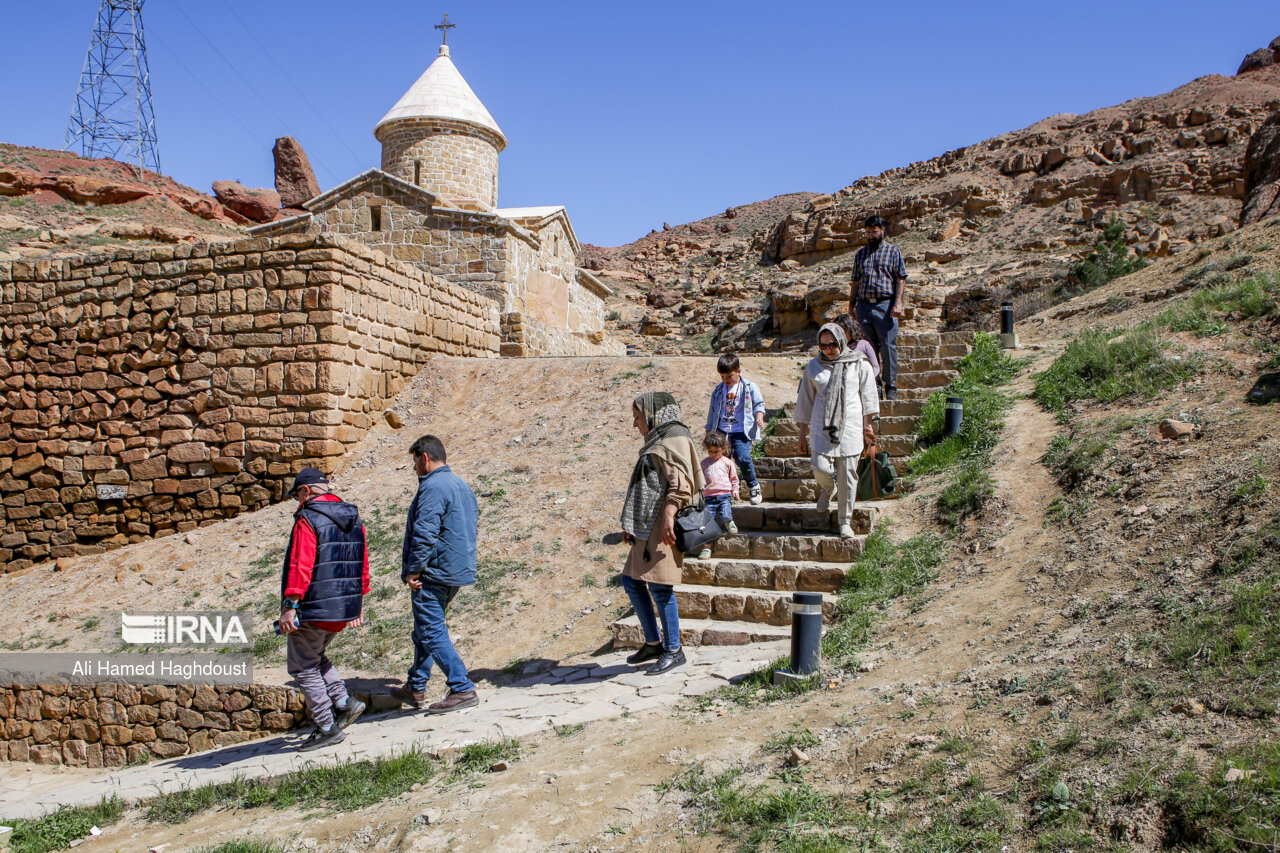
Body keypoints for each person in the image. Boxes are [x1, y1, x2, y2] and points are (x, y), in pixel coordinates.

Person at [278, 467, 369, 751]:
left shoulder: (308, 518)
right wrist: (358, 603)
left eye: (297, 496)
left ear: (306, 491)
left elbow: (300, 565)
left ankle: (326, 726)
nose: (297, 502)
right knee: (315, 656)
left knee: (303, 666)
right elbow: (361, 565)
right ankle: (343, 703)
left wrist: (290, 605)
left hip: (315, 606)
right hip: (344, 606)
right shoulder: (353, 518)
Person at [621, 392, 705, 674]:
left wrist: (669, 515)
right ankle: (654, 642)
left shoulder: (671, 440)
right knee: (631, 581)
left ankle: (673, 649)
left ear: (653, 414)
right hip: (646, 527)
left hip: (662, 528)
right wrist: (631, 525)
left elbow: (680, 485)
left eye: (638, 417)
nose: (635, 424)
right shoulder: (659, 439)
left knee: (660, 588)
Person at [396, 435, 480, 714]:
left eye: (415, 462)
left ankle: (462, 687)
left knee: (431, 631)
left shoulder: (432, 486)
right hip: (455, 570)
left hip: (433, 573)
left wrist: (414, 569)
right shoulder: (460, 484)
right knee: (424, 630)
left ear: (424, 457)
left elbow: (425, 532)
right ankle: (416, 685)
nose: (414, 468)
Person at [794, 324, 880, 538]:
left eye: (833, 344)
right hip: (821, 425)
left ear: (841, 341)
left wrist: (867, 425)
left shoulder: (859, 362)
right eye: (823, 346)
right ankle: (827, 489)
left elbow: (868, 394)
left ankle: (845, 521)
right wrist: (801, 433)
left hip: (850, 424)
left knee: (848, 475)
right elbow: (805, 400)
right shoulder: (814, 367)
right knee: (819, 466)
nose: (829, 349)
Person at [849, 215, 907, 400]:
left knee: (887, 347)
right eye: (868, 232)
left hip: (885, 305)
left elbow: (900, 278)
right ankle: (874, 387)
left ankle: (890, 387)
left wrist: (898, 303)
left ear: (882, 231)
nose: (871, 236)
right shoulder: (861, 254)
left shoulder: (893, 252)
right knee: (867, 349)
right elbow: (855, 282)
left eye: (874, 232)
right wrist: (851, 308)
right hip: (864, 306)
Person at [703, 353, 767, 505]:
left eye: (729, 376)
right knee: (721, 461)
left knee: (742, 457)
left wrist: (759, 417)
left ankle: (753, 485)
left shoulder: (750, 387)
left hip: (741, 430)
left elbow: (759, 404)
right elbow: (712, 411)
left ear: (738, 371)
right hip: (721, 430)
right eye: (722, 376)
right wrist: (709, 430)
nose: (726, 380)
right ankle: (723, 492)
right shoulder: (719, 390)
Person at [697, 431, 739, 560]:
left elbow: (734, 479)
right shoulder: (704, 464)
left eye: (717, 451)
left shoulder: (727, 462)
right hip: (709, 498)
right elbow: (699, 479)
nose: (713, 454)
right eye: (710, 451)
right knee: (706, 523)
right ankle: (706, 549)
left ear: (723, 449)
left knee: (725, 513)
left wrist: (735, 491)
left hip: (724, 495)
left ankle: (730, 522)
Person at [834, 312, 881, 382]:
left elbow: (875, 367)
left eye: (845, 332)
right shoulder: (834, 348)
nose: (842, 335)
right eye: (838, 332)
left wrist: (866, 381)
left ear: (851, 330)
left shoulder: (864, 345)